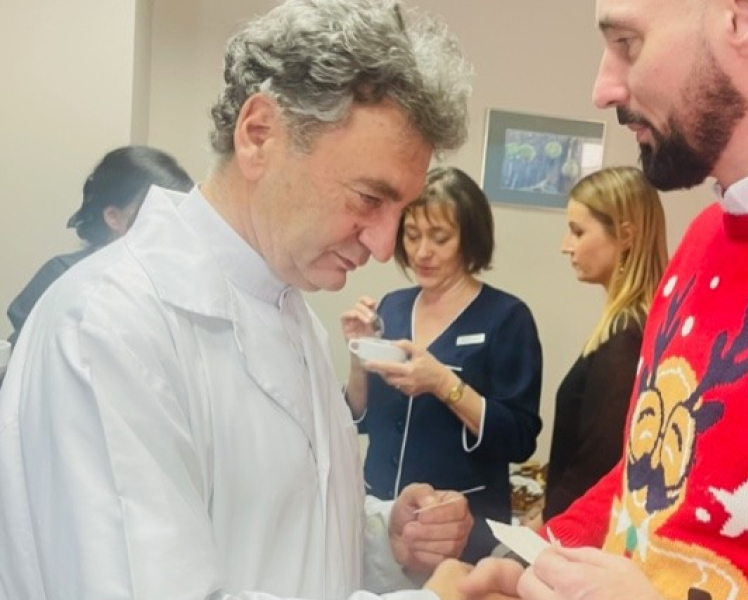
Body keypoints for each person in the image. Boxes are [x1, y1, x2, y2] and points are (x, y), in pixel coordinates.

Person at [0, 1, 478, 599]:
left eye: (400, 211)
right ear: (259, 135)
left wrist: (385, 541)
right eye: (368, 198)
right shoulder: (108, 326)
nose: (385, 245)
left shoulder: (288, 310)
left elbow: (284, 533)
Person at [460, 0, 748, 599]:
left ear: (744, 16)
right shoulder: (705, 237)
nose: (603, 88)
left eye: (627, 42)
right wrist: (543, 560)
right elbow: (657, 482)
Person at [341, 166, 543, 563]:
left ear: (470, 239)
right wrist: (358, 356)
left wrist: (443, 384)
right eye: (412, 235)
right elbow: (358, 418)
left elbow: (520, 439)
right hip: (381, 520)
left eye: (440, 238)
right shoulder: (392, 307)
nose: (422, 253)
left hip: (460, 531)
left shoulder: (506, 318)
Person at [532, 166, 667, 528]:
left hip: (581, 534)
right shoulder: (627, 325)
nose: (566, 245)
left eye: (578, 232)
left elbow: (597, 467)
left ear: (625, 236)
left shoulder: (626, 339)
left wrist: (547, 525)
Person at [6, 145, 193, 346]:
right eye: (158, 211)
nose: (172, 224)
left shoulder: (173, 281)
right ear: (113, 217)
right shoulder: (62, 275)